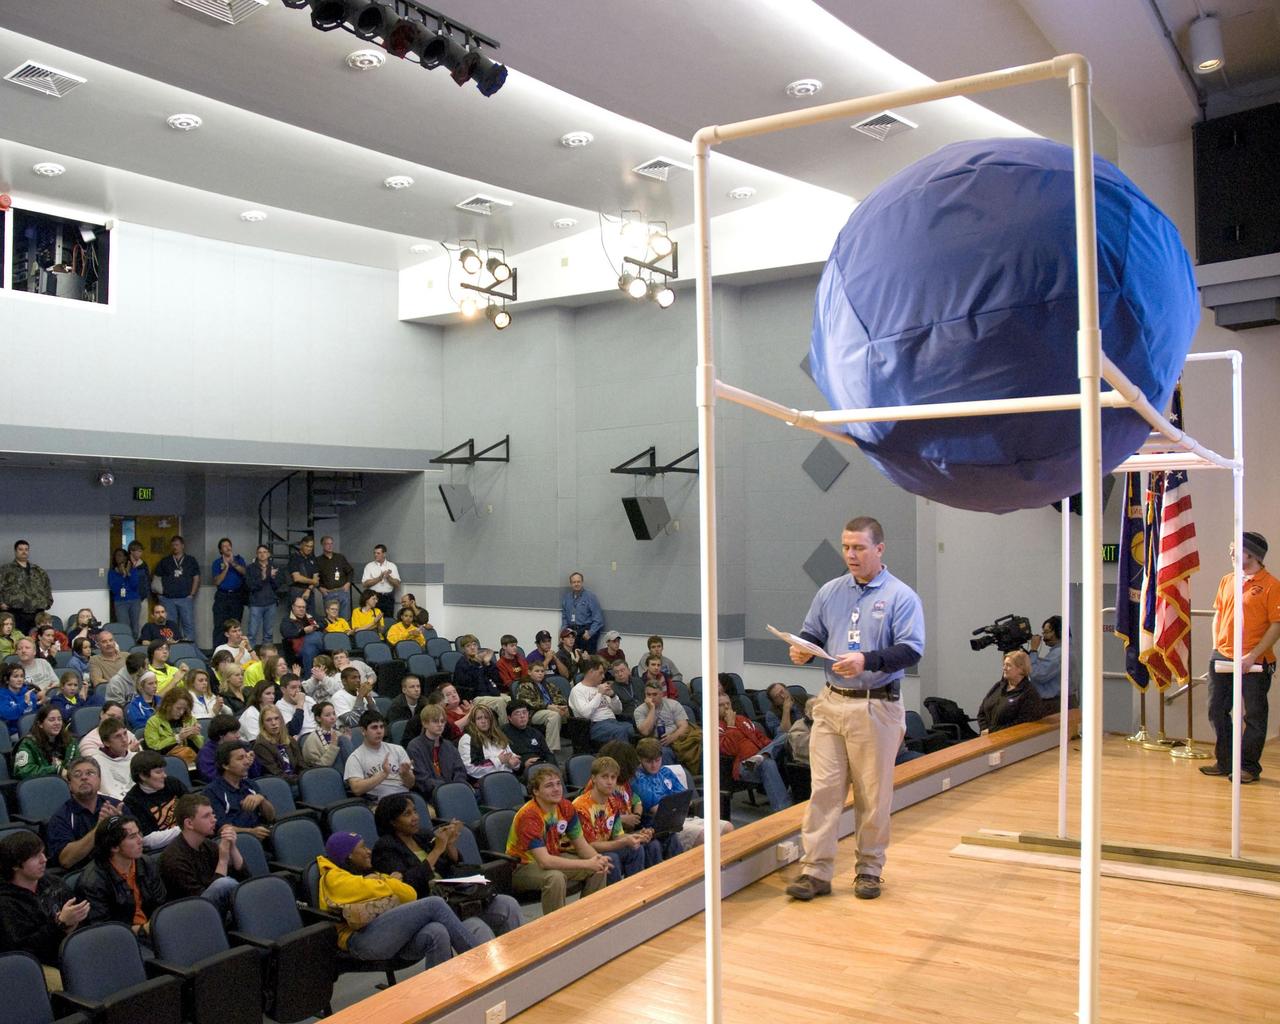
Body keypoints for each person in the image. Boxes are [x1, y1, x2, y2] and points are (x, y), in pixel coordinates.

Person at [784, 516, 924, 903]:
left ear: (879, 549)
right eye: (846, 547)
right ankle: (816, 870)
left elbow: (911, 650)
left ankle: (869, 869)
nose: (850, 555)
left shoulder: (901, 596)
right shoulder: (830, 591)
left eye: (859, 547)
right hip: (831, 703)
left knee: (872, 795)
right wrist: (802, 649)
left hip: (875, 706)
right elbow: (813, 633)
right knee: (824, 790)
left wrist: (867, 659)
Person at [317, 831, 481, 967]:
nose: (369, 851)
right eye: (362, 848)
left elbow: (409, 894)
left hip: (389, 935)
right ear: (349, 856)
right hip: (359, 941)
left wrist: (381, 880)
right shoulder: (333, 878)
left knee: (436, 931)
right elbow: (395, 890)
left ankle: (444, 993)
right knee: (435, 904)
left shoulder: (364, 875)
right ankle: (479, 961)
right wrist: (389, 881)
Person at [370, 793, 522, 935]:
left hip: (455, 895)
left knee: (508, 904)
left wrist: (449, 844)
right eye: (407, 814)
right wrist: (437, 850)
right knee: (476, 927)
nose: (415, 817)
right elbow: (409, 884)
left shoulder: (422, 835)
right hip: (429, 904)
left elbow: (454, 864)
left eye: (415, 812)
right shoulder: (385, 848)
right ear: (392, 821)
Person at [1201, 531, 1280, 784]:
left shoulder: (1271, 585)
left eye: (1235, 547)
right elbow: (1218, 614)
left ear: (1252, 554)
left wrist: (1252, 655)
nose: (1231, 551)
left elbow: (1276, 625)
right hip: (1222, 656)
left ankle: (1248, 766)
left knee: (1254, 715)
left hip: (1256, 661)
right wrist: (1216, 648)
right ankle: (1225, 761)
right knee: (1216, 710)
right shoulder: (1227, 580)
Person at [506, 764, 611, 914]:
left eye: (558, 784)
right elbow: (545, 861)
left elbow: (581, 846)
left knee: (599, 868)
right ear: (536, 792)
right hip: (524, 866)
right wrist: (587, 863)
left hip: (554, 856)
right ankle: (557, 927)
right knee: (555, 878)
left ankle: (589, 916)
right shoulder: (529, 816)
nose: (556, 789)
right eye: (549, 786)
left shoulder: (566, 807)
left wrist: (598, 859)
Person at [0, 830, 90, 968]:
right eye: (35, 856)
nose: (44, 860)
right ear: (15, 865)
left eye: (43, 853)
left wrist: (74, 921)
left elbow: (82, 921)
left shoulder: (54, 883)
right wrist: (60, 925)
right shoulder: (6, 902)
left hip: (72, 951)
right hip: (37, 965)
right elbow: (24, 950)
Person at [75, 815, 167, 944]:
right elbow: (103, 932)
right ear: (114, 847)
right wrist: (142, 930)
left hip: (153, 930)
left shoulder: (146, 863)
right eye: (132, 837)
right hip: (122, 942)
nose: (140, 840)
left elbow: (160, 902)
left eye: (139, 834)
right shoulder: (93, 882)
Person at [633, 738, 730, 851]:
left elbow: (687, 799)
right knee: (704, 836)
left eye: (657, 760)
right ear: (639, 759)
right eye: (649, 762)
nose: (654, 765)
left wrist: (677, 804)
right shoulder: (638, 779)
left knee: (727, 828)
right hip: (662, 828)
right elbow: (659, 810)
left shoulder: (666, 772)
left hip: (683, 818)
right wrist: (678, 803)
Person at [159, 792, 248, 914]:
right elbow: (202, 903)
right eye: (206, 816)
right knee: (224, 883)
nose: (214, 819)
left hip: (217, 910)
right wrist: (223, 860)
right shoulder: (173, 858)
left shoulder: (208, 845)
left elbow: (245, 879)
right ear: (189, 823)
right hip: (192, 914)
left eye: (213, 814)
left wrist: (232, 847)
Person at [571, 755, 650, 880]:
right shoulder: (580, 807)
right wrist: (623, 842)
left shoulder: (613, 802)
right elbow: (591, 845)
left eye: (613, 777)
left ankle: (635, 891)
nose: (610, 781)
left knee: (636, 848)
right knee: (612, 857)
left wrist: (637, 836)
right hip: (582, 852)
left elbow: (618, 835)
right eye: (604, 776)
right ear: (593, 779)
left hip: (605, 846)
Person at [718, 691, 792, 813]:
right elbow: (729, 750)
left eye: (728, 703)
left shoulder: (742, 720)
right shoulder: (714, 726)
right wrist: (730, 726)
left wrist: (771, 749)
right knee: (767, 763)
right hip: (743, 766)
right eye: (721, 705)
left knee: (786, 736)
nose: (726, 707)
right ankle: (783, 811)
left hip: (760, 758)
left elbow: (761, 739)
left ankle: (761, 756)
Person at [47, 758, 122, 870]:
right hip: (86, 877)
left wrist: (122, 828)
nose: (84, 778)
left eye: (90, 773)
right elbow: (66, 860)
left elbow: (139, 842)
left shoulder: (116, 806)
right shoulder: (61, 818)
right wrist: (99, 828)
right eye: (77, 775)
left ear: (99, 780)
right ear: (70, 785)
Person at [204, 741, 276, 839]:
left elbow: (271, 817)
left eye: (246, 757)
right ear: (225, 765)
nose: (247, 762)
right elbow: (222, 829)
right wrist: (251, 832)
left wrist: (262, 799)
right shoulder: (212, 792)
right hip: (237, 842)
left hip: (262, 836)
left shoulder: (250, 784)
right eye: (240, 758)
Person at [344, 709, 415, 801]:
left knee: (430, 812)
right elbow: (356, 789)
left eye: (381, 727)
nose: (379, 731)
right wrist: (383, 774)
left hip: (405, 797)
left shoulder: (398, 749)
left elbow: (410, 784)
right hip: (379, 802)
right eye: (374, 727)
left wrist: (405, 774)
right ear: (363, 731)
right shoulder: (355, 757)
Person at [122, 750, 183, 849]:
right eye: (158, 772)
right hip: (165, 849)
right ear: (143, 776)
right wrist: (186, 828)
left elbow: (193, 806)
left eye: (163, 770)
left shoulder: (172, 782)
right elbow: (147, 839)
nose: (164, 775)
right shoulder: (132, 801)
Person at [978, 650, 1049, 733]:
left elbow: (1022, 723)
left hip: (1011, 740)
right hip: (987, 737)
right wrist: (984, 729)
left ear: (1021, 669)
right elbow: (982, 711)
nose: (1004, 668)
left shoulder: (1029, 693)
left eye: (1008, 665)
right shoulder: (998, 686)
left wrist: (991, 731)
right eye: (1004, 665)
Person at [407, 704, 468, 799]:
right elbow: (422, 780)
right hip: (430, 796)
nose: (440, 725)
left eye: (442, 721)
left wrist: (457, 786)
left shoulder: (449, 745)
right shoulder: (414, 747)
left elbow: (460, 770)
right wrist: (447, 788)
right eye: (435, 721)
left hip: (454, 792)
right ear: (425, 723)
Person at [634, 677, 697, 769]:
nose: (651, 698)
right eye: (648, 695)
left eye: (655, 694)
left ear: (662, 694)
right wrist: (652, 709)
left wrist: (672, 737)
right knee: (664, 753)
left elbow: (684, 726)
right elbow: (645, 732)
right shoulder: (639, 710)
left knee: (700, 749)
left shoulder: (673, 704)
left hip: (678, 739)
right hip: (655, 743)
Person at [569, 656, 635, 745]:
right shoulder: (578, 690)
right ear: (591, 672)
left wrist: (613, 696)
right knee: (620, 731)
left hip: (613, 721)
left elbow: (618, 711)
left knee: (633, 729)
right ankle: (624, 758)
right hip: (594, 725)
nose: (603, 676)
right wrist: (599, 694)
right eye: (600, 673)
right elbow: (586, 714)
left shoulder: (600, 687)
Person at [513, 660, 568, 752]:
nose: (540, 674)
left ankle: (579, 745)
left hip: (551, 709)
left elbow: (559, 696)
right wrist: (548, 706)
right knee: (553, 715)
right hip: (533, 713)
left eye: (542, 671)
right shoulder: (524, 685)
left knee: (571, 711)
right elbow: (527, 702)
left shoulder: (547, 684)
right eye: (537, 671)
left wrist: (559, 706)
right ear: (529, 672)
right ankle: (550, 749)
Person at [457, 704, 521, 783]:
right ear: (473, 721)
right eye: (479, 718)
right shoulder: (468, 739)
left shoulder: (498, 735)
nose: (483, 721)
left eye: (486, 718)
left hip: (507, 778)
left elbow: (510, 756)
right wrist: (498, 761)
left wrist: (514, 763)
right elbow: (471, 768)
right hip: (486, 783)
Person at [452, 634, 509, 723]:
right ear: (463, 649)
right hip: (474, 697)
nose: (472, 647)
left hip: (489, 693)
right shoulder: (462, 664)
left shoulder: (482, 660)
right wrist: (477, 665)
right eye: (468, 646)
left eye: (474, 644)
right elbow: (472, 683)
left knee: (510, 700)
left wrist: (487, 664)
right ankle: (505, 730)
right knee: (500, 702)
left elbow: (497, 678)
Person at [154, 535, 200, 642]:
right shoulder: (165, 561)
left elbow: (196, 578)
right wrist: (160, 594)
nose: (175, 547)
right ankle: (171, 647)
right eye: (173, 545)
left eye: (177, 545)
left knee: (188, 624)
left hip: (185, 598)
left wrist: (192, 594)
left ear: (182, 546)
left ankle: (190, 649)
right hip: (168, 599)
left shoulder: (190, 560)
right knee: (170, 624)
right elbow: (156, 578)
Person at [0, 540, 53, 634]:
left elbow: (47, 586)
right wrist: (1, 603)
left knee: (36, 637)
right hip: (16, 611)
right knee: (17, 637)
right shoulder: (5, 570)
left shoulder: (38, 570)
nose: (24, 552)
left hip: (37, 611)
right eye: (20, 549)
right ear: (15, 551)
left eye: (26, 549)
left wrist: (48, 602)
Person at [14, 704, 79, 780]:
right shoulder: (28, 743)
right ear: (40, 724)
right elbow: (23, 771)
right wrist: (56, 770)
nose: (57, 723)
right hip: (41, 786)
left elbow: (78, 763)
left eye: (59, 719)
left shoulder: (70, 741)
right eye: (52, 720)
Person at [144, 685, 203, 765]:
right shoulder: (153, 722)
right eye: (178, 708)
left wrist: (193, 737)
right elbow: (154, 749)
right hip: (167, 764)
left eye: (184, 709)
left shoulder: (189, 719)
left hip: (192, 761)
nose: (182, 712)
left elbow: (201, 748)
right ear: (168, 705)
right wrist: (178, 738)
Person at [196, 715, 261, 783]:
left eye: (238, 731)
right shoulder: (206, 753)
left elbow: (257, 775)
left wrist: (250, 764)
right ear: (221, 734)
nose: (238, 736)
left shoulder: (242, 746)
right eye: (234, 732)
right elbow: (212, 778)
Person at [1028, 615, 1075, 702]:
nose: (1044, 637)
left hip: (1055, 704)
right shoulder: (1069, 650)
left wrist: (1033, 650)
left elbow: (1038, 675)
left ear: (1060, 632)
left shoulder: (1059, 653)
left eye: (1046, 632)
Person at [504, 700, 557, 776]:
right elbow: (505, 760)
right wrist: (523, 764)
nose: (522, 716)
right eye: (517, 713)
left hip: (541, 766)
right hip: (519, 772)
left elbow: (548, 754)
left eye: (524, 712)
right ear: (509, 718)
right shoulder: (502, 734)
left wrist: (552, 767)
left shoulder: (535, 732)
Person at [253, 705, 304, 783]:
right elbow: (276, 773)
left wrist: (305, 779)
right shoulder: (261, 745)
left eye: (276, 718)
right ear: (262, 724)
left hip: (297, 781)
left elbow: (301, 765)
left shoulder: (290, 740)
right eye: (268, 720)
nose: (274, 723)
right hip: (279, 784)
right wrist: (299, 780)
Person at [90, 717, 138, 800]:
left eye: (125, 733)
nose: (124, 739)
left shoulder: (137, 758)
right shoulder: (94, 762)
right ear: (106, 742)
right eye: (117, 736)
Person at [244, 544, 281, 646]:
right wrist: (263, 577)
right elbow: (250, 586)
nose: (262, 554)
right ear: (256, 554)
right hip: (256, 603)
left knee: (268, 634)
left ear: (269, 554)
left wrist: (272, 578)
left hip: (271, 603)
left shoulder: (274, 567)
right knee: (252, 634)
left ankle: (268, 659)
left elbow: (278, 586)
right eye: (260, 552)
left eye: (264, 552)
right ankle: (251, 658)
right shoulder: (250, 568)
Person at [560, 571, 604, 654]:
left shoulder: (590, 597)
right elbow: (564, 617)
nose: (576, 584)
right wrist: (563, 632)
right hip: (572, 633)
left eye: (578, 581)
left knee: (587, 661)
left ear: (582, 582)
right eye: (574, 582)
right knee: (573, 658)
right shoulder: (567, 598)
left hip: (586, 633)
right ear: (571, 583)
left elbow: (599, 619)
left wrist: (590, 633)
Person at [281, 595, 326, 675]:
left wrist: (317, 626)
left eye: (303, 607)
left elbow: (324, 622)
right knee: (315, 637)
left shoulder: (311, 616)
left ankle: (308, 678)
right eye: (299, 607)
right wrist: (303, 631)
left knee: (310, 648)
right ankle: (325, 647)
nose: (302, 609)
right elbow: (286, 633)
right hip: (299, 646)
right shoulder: (287, 620)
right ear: (293, 607)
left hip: (312, 646)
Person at [108, 548, 144, 640]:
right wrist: (122, 575)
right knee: (124, 625)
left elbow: (135, 586)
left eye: (120, 555)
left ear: (125, 557)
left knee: (135, 626)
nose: (118, 557)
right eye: (116, 556)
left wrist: (128, 574)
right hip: (120, 602)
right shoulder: (112, 572)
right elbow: (115, 589)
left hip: (134, 601)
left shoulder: (133, 570)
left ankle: (134, 643)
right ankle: (126, 643)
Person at [316, 536, 355, 621]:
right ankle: (332, 634)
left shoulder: (340, 557)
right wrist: (320, 588)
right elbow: (314, 577)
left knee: (344, 618)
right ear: (322, 545)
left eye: (331, 543)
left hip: (342, 591)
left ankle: (343, 634)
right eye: (327, 544)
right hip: (329, 593)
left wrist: (348, 583)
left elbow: (350, 571)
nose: (329, 546)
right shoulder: (318, 560)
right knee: (331, 619)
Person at [360, 544, 401, 619]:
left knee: (388, 620)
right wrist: (379, 578)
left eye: (378, 553)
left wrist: (388, 577)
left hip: (388, 598)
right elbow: (365, 584)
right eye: (374, 553)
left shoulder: (392, 566)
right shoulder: (369, 566)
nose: (375, 555)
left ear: (384, 554)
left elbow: (397, 584)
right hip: (373, 598)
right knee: (372, 619)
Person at [0, 663, 39, 740]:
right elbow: (8, 715)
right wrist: (24, 703)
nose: (20, 679)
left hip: (33, 731)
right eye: (15, 676)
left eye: (22, 676)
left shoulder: (29, 692)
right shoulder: (2, 695)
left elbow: (37, 713)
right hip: (12, 733)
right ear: (6, 680)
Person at [302, 700, 346, 768]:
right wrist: (333, 746)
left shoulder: (338, 734)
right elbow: (318, 766)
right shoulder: (312, 740)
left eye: (334, 713)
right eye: (327, 715)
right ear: (318, 718)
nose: (332, 717)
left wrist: (347, 740)